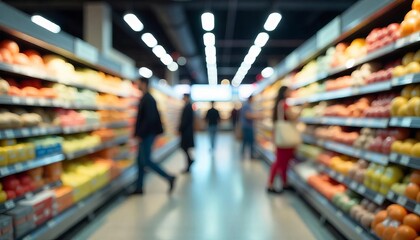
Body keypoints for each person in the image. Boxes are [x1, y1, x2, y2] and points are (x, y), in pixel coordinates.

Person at [134, 78, 176, 195]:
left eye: (139, 83)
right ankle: (139, 187)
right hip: (146, 134)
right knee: (140, 162)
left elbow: (149, 120)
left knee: (146, 160)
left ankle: (169, 177)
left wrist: (140, 134)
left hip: (147, 135)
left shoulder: (148, 99)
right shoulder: (147, 98)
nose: (137, 85)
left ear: (144, 84)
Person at [267, 86, 299, 194]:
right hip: (286, 137)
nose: (291, 92)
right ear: (284, 92)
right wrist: (302, 109)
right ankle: (270, 185)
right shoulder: (284, 104)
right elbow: (292, 117)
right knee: (280, 162)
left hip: (281, 136)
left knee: (284, 162)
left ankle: (284, 183)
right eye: (289, 90)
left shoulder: (278, 104)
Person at [178, 94, 195, 173]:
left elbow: (185, 121)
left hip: (186, 131)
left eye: (184, 97)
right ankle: (190, 161)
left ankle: (189, 162)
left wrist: (180, 129)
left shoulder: (187, 107)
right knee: (185, 148)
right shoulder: (189, 106)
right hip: (188, 131)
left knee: (184, 147)